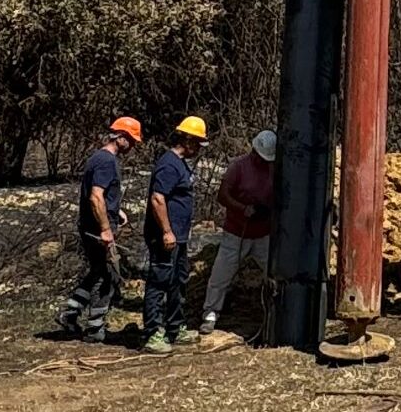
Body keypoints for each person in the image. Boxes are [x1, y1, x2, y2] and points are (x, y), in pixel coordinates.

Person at [56, 116, 141, 341]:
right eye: (131, 141)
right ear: (121, 138)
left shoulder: (98, 158)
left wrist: (115, 210)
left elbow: (100, 196)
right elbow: (96, 197)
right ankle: (95, 328)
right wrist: (105, 228)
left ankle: (70, 313)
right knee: (108, 276)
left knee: (97, 272)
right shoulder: (106, 161)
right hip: (97, 230)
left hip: (92, 225)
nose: (132, 146)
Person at [198, 129, 275, 335]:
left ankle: (275, 310)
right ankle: (210, 313)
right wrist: (243, 208)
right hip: (236, 232)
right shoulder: (238, 167)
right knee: (221, 274)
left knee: (274, 272)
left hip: (263, 234)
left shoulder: (273, 169)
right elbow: (222, 195)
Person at [142, 116, 207, 354]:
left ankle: (175, 327)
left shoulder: (180, 164)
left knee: (177, 281)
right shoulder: (168, 165)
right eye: (198, 143)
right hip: (165, 237)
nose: (199, 148)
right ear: (187, 140)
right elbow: (158, 199)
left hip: (179, 236)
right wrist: (167, 231)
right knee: (159, 281)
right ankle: (152, 333)